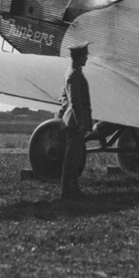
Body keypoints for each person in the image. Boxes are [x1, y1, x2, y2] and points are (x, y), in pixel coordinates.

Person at [58, 41, 92, 200]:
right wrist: (80, 122)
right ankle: (66, 191)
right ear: (79, 57)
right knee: (72, 158)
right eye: (85, 55)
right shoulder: (74, 75)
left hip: (73, 121)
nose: (87, 57)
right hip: (74, 123)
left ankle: (74, 189)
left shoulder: (72, 72)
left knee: (75, 156)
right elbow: (75, 101)